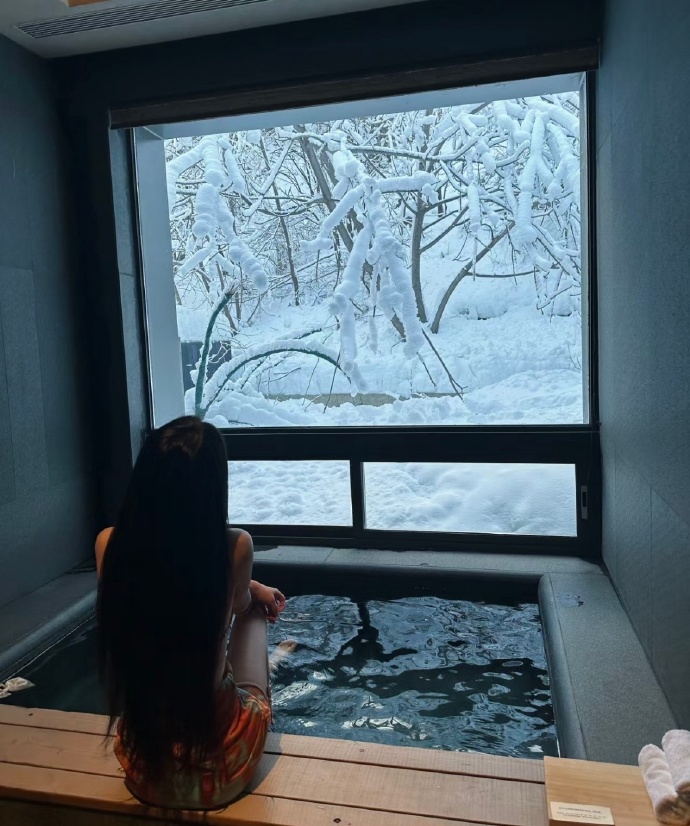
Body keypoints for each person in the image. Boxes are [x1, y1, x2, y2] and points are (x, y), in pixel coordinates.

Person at [95, 416, 286, 810]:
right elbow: (235, 603)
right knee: (253, 614)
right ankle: (261, 697)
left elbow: (162, 583)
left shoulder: (109, 546)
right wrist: (254, 592)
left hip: (145, 763)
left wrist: (247, 586)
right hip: (221, 768)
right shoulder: (235, 547)